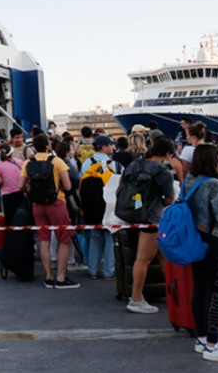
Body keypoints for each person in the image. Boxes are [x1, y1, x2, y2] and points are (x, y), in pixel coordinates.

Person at [183, 144, 218, 363]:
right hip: (214, 240)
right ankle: (212, 345)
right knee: (215, 291)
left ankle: (202, 338)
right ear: (212, 160)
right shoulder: (214, 184)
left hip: (195, 240)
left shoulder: (189, 181)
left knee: (199, 289)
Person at [125, 137, 178, 313]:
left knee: (164, 255)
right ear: (168, 154)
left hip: (133, 213)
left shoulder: (135, 164)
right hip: (152, 218)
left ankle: (175, 293)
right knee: (144, 259)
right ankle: (136, 299)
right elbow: (169, 199)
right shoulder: (163, 172)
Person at [20, 134, 79, 289]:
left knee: (43, 240)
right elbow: (68, 186)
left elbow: (20, 185)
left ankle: (48, 277)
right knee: (64, 240)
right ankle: (60, 278)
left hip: (37, 204)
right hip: (56, 202)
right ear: (47, 146)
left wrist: (29, 192)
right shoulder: (57, 161)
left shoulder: (28, 162)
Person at [81, 135, 118, 280]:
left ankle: (93, 270)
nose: (112, 147)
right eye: (110, 145)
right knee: (109, 237)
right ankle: (109, 271)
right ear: (104, 147)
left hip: (91, 206)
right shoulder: (115, 165)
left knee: (95, 237)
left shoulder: (86, 164)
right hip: (109, 205)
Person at [0, 143, 25, 226]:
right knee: (22, 218)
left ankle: (10, 233)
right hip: (20, 192)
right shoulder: (19, 162)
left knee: (9, 219)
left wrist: (0, 183)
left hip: (7, 194)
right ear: (11, 153)